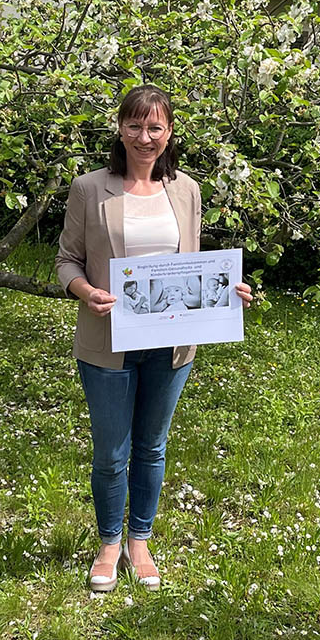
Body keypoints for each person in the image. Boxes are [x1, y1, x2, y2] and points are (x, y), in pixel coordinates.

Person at [55, 85, 252, 592]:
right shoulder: (89, 188)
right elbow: (65, 260)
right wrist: (84, 290)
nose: (145, 137)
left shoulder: (186, 189)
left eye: (155, 127)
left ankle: (138, 540)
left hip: (173, 343)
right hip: (107, 340)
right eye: (135, 126)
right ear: (119, 128)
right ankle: (107, 543)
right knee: (111, 453)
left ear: (169, 133)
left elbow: (191, 265)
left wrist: (227, 291)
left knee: (152, 447)